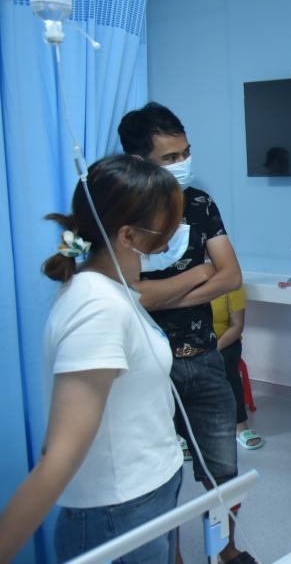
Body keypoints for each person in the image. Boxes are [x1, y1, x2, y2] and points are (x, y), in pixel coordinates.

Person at [0, 155, 184, 562]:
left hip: (149, 487)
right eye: (168, 226)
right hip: (118, 510)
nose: (173, 236)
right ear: (128, 236)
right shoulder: (97, 306)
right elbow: (59, 456)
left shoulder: (115, 292)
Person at [119, 103, 252, 564]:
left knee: (224, 473)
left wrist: (159, 295)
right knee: (160, 480)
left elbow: (231, 276)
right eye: (170, 158)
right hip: (150, 368)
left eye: (185, 153)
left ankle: (227, 551)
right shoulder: (123, 215)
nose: (182, 164)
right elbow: (131, 296)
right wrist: (197, 273)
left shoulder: (199, 204)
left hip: (205, 358)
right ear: (139, 162)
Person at [211, 287, 264, 449]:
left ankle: (240, 426)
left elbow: (237, 326)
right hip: (193, 340)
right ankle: (179, 431)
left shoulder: (232, 285)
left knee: (226, 364)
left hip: (224, 341)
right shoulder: (185, 281)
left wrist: (215, 348)